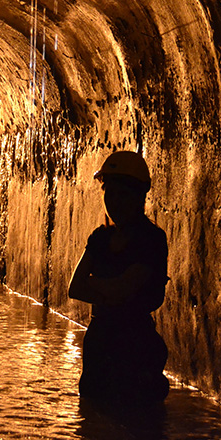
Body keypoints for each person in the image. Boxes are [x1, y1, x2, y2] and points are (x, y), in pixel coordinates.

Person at [69, 150, 169, 407]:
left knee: (137, 426)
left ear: (140, 197)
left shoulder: (151, 240)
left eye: (123, 195)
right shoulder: (100, 238)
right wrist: (111, 289)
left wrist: (97, 285)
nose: (114, 202)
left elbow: (119, 289)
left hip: (135, 346)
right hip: (100, 344)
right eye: (109, 193)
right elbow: (74, 288)